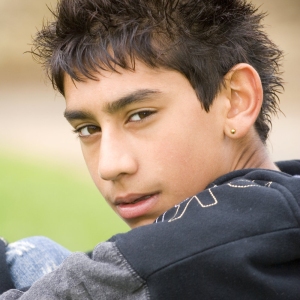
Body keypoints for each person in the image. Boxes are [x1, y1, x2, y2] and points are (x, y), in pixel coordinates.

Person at [1, 0, 300, 298]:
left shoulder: (184, 257)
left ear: (236, 100)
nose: (109, 165)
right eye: (88, 129)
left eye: (140, 115)